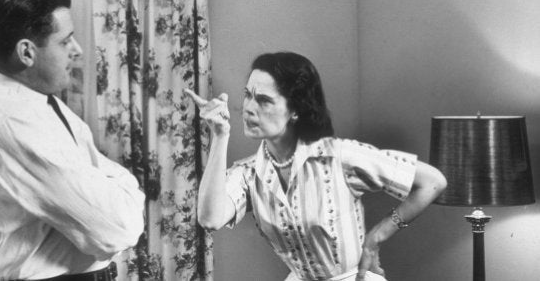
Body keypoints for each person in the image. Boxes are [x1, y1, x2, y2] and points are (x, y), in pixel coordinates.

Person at [184, 52, 447, 281]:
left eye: (264, 100)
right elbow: (210, 218)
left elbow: (433, 181)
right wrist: (220, 135)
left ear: (295, 110)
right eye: (248, 95)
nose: (249, 108)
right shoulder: (250, 173)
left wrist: (376, 237)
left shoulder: (338, 157)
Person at [0, 0, 145, 280]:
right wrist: (120, 192)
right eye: (65, 41)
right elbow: (119, 228)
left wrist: (116, 189)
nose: (77, 50)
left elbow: (114, 186)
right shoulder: (13, 122)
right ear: (27, 52)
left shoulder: (40, 106)